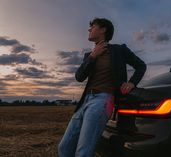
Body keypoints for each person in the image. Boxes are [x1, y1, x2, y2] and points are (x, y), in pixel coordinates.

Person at [58, 17, 147, 157]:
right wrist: (93, 56)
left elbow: (141, 66)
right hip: (84, 101)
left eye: (92, 26)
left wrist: (132, 83)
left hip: (102, 100)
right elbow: (79, 77)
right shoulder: (89, 55)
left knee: (83, 152)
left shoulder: (119, 50)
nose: (89, 29)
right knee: (64, 148)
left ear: (103, 29)